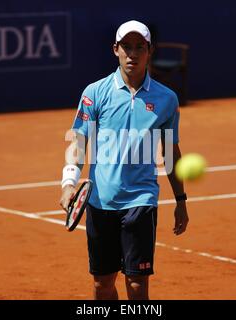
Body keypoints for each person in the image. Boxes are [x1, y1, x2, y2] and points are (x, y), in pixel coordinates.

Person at [59, 20, 189, 300]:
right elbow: (78, 142)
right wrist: (69, 182)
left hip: (141, 202)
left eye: (139, 47)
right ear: (115, 50)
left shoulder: (167, 99)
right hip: (100, 201)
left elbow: (170, 152)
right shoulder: (95, 93)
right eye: (126, 47)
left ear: (149, 51)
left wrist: (181, 200)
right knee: (102, 285)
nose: (133, 54)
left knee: (137, 283)